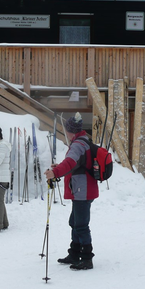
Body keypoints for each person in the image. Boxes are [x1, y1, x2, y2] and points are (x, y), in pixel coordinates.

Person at [44, 112, 99, 270]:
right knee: (74, 222)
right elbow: (74, 163)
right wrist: (58, 168)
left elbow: (70, 162)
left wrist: (55, 172)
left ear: (71, 131)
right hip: (82, 189)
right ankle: (75, 253)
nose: (66, 132)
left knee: (81, 225)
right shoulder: (82, 142)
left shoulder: (77, 144)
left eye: (66, 129)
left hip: (83, 190)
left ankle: (87, 258)